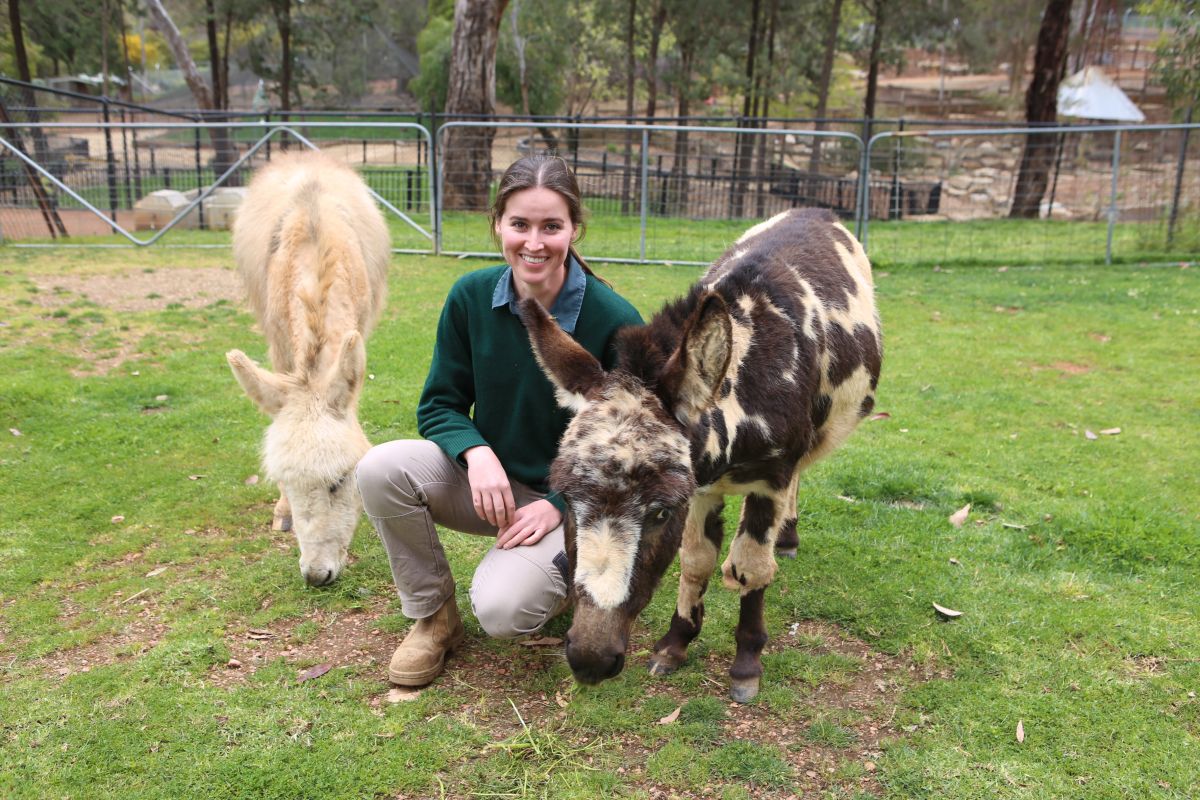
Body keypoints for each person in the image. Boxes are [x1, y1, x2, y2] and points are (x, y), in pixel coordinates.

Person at [356, 155, 644, 687]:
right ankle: (433, 620)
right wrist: (476, 451)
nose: (534, 242)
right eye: (520, 224)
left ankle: (558, 583)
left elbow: (630, 456)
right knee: (379, 469)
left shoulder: (616, 322)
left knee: (504, 611)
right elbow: (439, 403)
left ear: (574, 229)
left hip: (575, 503)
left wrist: (560, 507)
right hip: (490, 486)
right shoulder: (470, 296)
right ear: (498, 225)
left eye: (551, 226)